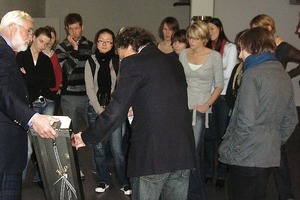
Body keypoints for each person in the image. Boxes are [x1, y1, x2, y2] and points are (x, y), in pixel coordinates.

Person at [72, 26, 196, 200]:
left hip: (152, 155)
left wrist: (86, 137)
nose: (122, 60)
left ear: (129, 45)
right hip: (183, 153)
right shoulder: (173, 61)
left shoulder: (134, 62)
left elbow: (116, 110)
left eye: (121, 55)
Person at [219, 27, 298, 200]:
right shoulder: (283, 75)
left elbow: (245, 121)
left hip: (246, 156)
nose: (240, 55)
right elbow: (291, 119)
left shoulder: (252, 75)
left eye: (242, 49)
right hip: (268, 154)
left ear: (253, 48)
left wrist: (235, 149)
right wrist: (272, 140)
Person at [0, 10, 58, 199]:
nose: (30, 36)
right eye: (28, 31)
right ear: (12, 28)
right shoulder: (2, 51)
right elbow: (3, 92)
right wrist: (33, 118)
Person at [250, 14, 300, 200]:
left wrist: (287, 76)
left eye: (258, 28)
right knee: (272, 147)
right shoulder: (261, 46)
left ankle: (285, 194)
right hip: (261, 98)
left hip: (276, 100)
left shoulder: (282, 46)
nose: (255, 32)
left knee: (277, 147)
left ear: (269, 28)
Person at [179, 20, 224, 200]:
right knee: (185, 152)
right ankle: (189, 193)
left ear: (204, 39)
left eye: (195, 38)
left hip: (200, 109)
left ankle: (196, 194)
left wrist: (207, 105)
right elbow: (179, 81)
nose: (191, 41)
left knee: (193, 152)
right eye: (190, 37)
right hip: (182, 106)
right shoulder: (183, 54)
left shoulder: (214, 56)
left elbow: (219, 85)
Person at [84, 28, 131, 195]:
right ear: (96, 43)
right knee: (98, 149)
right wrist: (98, 109)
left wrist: (111, 109)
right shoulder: (90, 61)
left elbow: (121, 87)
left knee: (117, 149)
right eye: (101, 41)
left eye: (109, 41)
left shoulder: (119, 61)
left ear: (113, 44)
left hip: (114, 110)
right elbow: (89, 88)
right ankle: (103, 180)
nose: (104, 44)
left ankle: (123, 181)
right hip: (95, 109)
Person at [16, 26, 56, 186]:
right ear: (33, 38)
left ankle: (40, 177)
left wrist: (29, 76)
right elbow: (20, 81)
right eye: (40, 41)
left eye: (46, 43)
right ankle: (18, 181)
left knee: (44, 145)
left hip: (46, 102)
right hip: (30, 103)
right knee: (27, 148)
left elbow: (51, 82)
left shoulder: (46, 59)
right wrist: (37, 79)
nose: (42, 46)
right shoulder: (21, 56)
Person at [55, 13, 93, 179]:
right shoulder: (61, 48)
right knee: (72, 135)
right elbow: (66, 72)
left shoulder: (91, 46)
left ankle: (99, 169)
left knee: (95, 132)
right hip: (70, 96)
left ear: (82, 27)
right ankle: (75, 168)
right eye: (70, 29)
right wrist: (75, 50)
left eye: (77, 28)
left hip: (89, 96)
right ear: (66, 29)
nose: (74, 32)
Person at [204, 17, 238, 188]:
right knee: (208, 137)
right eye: (207, 29)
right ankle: (209, 172)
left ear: (220, 28)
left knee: (223, 137)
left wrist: (209, 72)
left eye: (212, 28)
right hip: (208, 98)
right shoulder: (205, 49)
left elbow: (229, 73)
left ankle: (223, 174)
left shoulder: (231, 47)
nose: (210, 32)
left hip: (223, 97)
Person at [43, 25, 63, 115]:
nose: (50, 40)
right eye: (49, 37)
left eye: (53, 37)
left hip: (55, 91)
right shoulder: (38, 53)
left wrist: (60, 86)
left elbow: (59, 71)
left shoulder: (56, 54)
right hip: (42, 91)